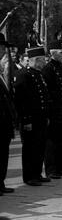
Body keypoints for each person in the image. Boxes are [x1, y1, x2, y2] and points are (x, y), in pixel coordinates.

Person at [14, 46, 51, 186]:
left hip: (40, 118)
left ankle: (37, 173)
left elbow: (43, 97)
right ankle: (29, 176)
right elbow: (22, 100)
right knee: (30, 148)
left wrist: (46, 115)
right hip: (30, 119)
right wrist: (26, 119)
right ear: (35, 60)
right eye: (42, 60)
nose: (44, 63)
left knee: (40, 146)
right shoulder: (24, 75)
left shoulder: (38, 74)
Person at [41, 40, 62, 179]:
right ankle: (51, 169)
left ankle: (60, 167)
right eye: (61, 52)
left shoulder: (61, 67)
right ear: (53, 53)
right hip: (53, 111)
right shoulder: (48, 69)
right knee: (52, 142)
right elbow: (47, 92)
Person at [0, 34, 17, 194]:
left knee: (3, 155)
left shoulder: (2, 74)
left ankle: (1, 183)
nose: (4, 52)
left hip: (4, 123)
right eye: (2, 48)